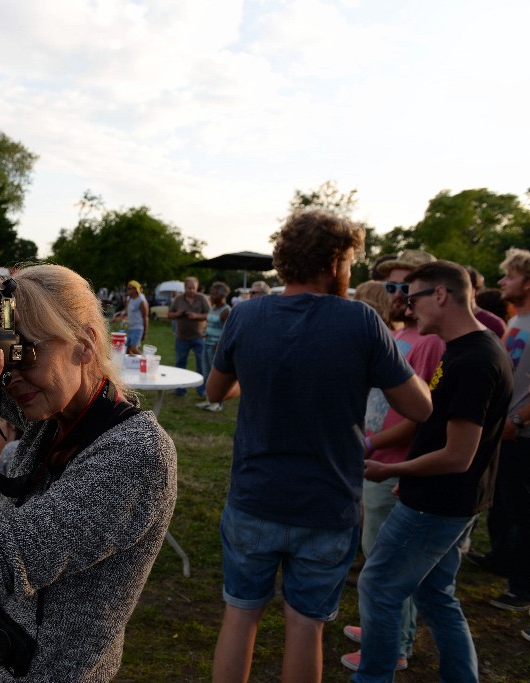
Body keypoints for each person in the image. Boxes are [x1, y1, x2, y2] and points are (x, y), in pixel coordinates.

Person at [0, 261, 177, 682]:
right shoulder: (51, 410)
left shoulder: (135, 455)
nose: (10, 374)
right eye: (2, 351)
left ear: (85, 343)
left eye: (25, 350)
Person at [205, 210, 432, 683]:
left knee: (240, 615)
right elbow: (420, 407)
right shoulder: (362, 322)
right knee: (306, 626)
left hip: (255, 497)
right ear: (335, 263)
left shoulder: (246, 314)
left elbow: (214, 391)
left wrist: (262, 377)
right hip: (327, 504)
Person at [353, 260, 513, 681]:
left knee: (380, 587)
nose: (406, 306)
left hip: (438, 504)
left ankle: (372, 676)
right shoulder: (464, 350)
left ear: (440, 295)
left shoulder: (475, 361)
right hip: (452, 499)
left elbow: (458, 455)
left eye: (414, 296)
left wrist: (393, 471)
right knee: (436, 594)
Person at [342, 250, 446, 673]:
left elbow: (425, 417)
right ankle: (379, 630)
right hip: (377, 459)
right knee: (377, 558)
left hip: (392, 464)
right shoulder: (401, 335)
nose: (399, 295)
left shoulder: (429, 342)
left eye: (406, 286)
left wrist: (370, 446)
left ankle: (393, 648)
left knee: (390, 568)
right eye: (392, 287)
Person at [479, 249, 530, 613]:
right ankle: (502, 560)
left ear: (529, 282)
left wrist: (519, 421)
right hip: (506, 430)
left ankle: (525, 586)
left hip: (525, 433)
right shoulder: (519, 320)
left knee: (526, 509)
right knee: (504, 502)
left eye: (509, 276)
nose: (502, 282)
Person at [166, 276, 209, 398]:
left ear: (197, 288)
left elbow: (209, 314)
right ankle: (180, 390)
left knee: (201, 364)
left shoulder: (201, 299)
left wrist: (196, 316)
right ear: (185, 288)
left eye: (193, 288)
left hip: (199, 337)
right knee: (180, 364)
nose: (191, 290)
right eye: (189, 288)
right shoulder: (178, 299)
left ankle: (202, 390)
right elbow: (169, 314)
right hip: (182, 337)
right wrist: (178, 314)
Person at [199, 281, 230, 411]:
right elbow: (208, 322)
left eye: (215, 294)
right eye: (211, 293)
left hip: (216, 346)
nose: (211, 296)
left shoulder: (226, 310)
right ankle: (208, 399)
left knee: (216, 375)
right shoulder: (213, 307)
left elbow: (228, 330)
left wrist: (219, 344)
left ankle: (218, 403)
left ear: (223, 295)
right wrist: (204, 331)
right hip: (206, 343)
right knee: (206, 373)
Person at [112, 280, 149, 355]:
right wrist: (114, 319)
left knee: (133, 349)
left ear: (135, 289)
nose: (127, 290)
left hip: (138, 328)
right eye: (127, 288)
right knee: (127, 350)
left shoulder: (142, 301)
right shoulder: (130, 299)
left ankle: (145, 361)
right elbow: (125, 313)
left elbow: (145, 317)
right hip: (130, 328)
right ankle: (131, 365)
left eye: (129, 288)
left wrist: (145, 332)